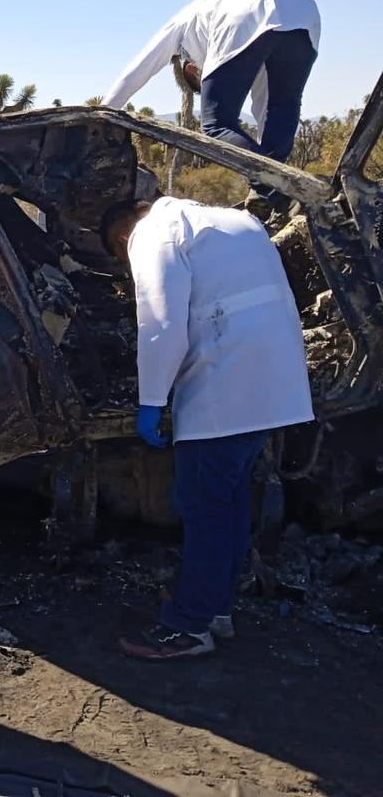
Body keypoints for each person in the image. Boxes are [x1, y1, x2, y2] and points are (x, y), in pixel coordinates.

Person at [99, 196, 313, 660]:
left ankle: (189, 627)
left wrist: (151, 401)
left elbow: (160, 323)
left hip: (226, 388)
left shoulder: (154, 233)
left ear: (122, 238)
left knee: (203, 506)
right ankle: (214, 607)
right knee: (228, 502)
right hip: (275, 383)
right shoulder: (238, 220)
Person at [103, 0, 320, 212]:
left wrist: (104, 111)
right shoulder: (244, 45)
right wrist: (267, 178)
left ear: (192, 69)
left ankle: (277, 189)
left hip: (244, 13)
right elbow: (264, 111)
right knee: (282, 106)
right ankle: (277, 193)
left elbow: (140, 67)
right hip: (302, 10)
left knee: (217, 124)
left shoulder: (183, 23)